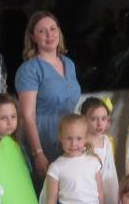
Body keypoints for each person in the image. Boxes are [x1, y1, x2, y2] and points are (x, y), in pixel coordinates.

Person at [16, 11, 82, 182]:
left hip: (69, 139)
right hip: (43, 141)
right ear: (33, 37)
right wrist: (38, 153)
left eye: (53, 29)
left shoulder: (69, 64)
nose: (49, 34)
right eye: (42, 31)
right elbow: (27, 116)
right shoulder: (29, 70)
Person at [82, 96, 120, 204]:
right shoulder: (79, 142)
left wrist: (113, 200)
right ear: (84, 119)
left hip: (103, 190)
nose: (100, 124)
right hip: (86, 192)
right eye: (94, 119)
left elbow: (110, 172)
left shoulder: (106, 141)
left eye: (103, 119)